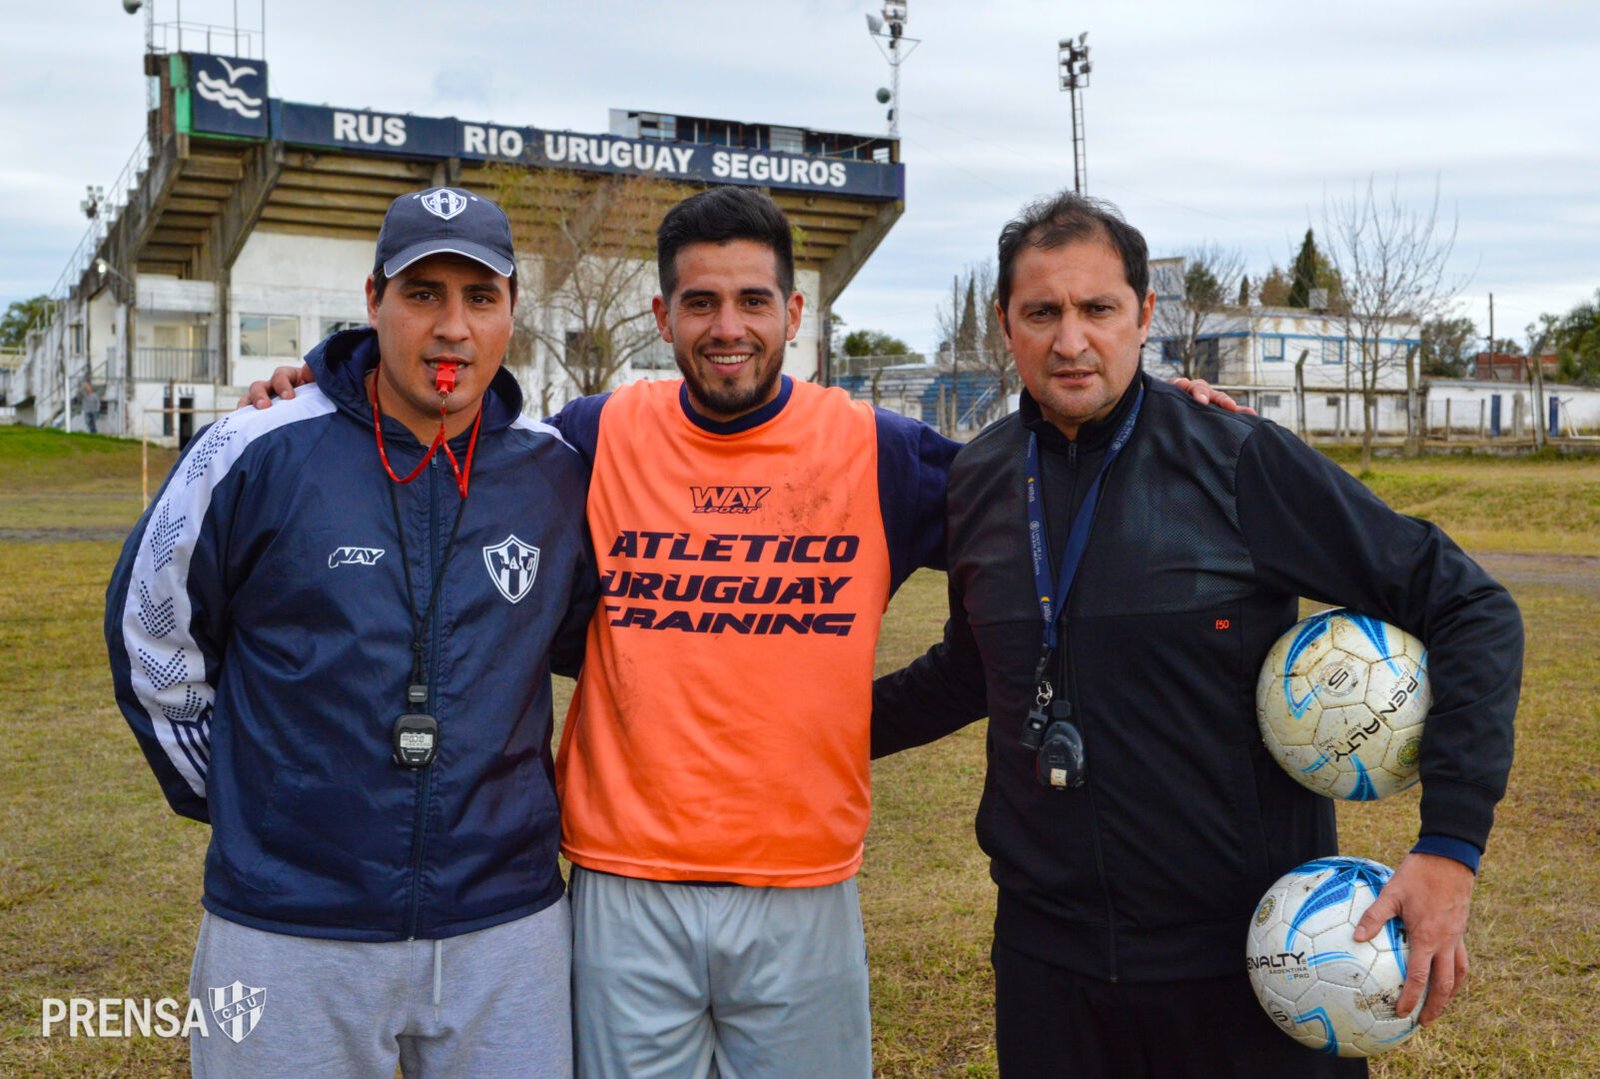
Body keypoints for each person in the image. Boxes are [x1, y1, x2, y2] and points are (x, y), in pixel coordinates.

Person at [871, 190, 1522, 1077]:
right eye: (1042, 312)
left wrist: (1449, 848)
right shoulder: (980, 478)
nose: (1071, 340)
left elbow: (1469, 605)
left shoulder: (1234, 457)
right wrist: (811, 730)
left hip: (1241, 971)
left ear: (1144, 315)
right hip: (1046, 965)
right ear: (1003, 323)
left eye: (1098, 309)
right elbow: (975, 666)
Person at [106, 187, 593, 1077]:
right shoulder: (255, 447)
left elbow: (584, 645)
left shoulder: (553, 471)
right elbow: (152, 636)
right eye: (422, 294)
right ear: (373, 301)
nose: (452, 328)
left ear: (512, 313)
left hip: (505, 925)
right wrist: (252, 802)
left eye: (480, 297)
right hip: (287, 926)